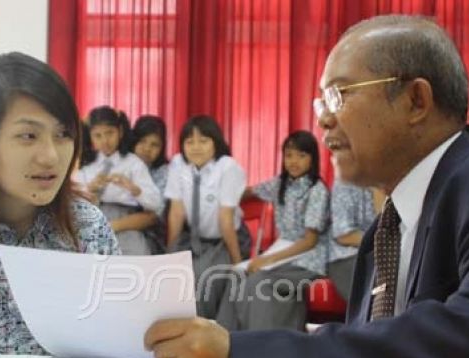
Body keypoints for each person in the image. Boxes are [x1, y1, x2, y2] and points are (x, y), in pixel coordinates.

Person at [144, 14, 469, 358]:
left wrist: (241, 357)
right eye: (321, 102)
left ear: (416, 101)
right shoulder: (383, 234)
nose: (323, 120)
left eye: (338, 95)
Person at [0, 52, 121, 354]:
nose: (51, 156)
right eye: (28, 135)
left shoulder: (88, 226)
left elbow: (121, 344)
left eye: (63, 133)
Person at [216, 130, 330, 331]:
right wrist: (228, 195)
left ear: (313, 159)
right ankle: (226, 342)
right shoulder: (280, 184)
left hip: (308, 256)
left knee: (258, 281)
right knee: (236, 274)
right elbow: (250, 192)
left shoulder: (317, 190)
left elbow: (310, 241)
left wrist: (267, 260)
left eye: (301, 155)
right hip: (282, 249)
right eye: (289, 155)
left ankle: (259, 342)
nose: (294, 161)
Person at [165, 115, 250, 319]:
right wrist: (169, 253)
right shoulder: (178, 164)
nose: (196, 147)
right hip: (192, 239)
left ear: (216, 142)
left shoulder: (228, 167)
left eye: (203, 141)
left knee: (205, 277)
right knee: (170, 276)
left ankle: (205, 330)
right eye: (189, 141)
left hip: (226, 239)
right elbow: (176, 212)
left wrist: (238, 264)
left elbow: (225, 219)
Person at [74, 106, 161, 255]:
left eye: (110, 133)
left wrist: (134, 189)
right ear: (90, 136)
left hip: (127, 222)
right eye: (98, 135)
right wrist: (89, 190)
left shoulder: (133, 163)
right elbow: (73, 202)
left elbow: (156, 204)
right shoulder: (87, 165)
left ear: (120, 131)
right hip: (92, 220)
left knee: (134, 259)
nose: (105, 141)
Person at [131, 115, 170, 253]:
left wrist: (112, 226)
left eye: (154, 145)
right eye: (142, 141)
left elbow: (152, 217)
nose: (147, 148)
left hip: (150, 236)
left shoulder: (164, 172)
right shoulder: (121, 163)